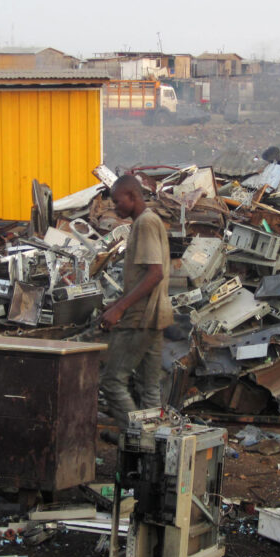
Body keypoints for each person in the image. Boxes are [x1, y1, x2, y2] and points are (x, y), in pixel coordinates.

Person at [98, 175, 172, 435]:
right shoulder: (146, 222)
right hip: (155, 317)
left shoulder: (146, 223)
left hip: (142, 317)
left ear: (133, 196)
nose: (115, 207)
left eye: (118, 201)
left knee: (113, 381)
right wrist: (114, 305)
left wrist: (120, 309)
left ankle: (136, 440)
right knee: (149, 389)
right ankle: (154, 449)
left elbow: (155, 274)